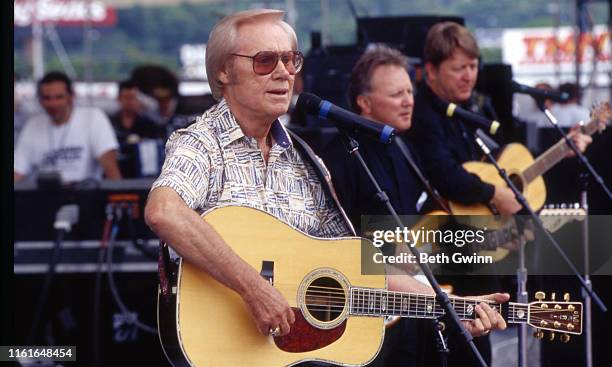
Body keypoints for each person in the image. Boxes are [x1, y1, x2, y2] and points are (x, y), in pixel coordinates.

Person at [144, 10, 507, 364]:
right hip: (218, 346)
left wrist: (448, 305)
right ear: (224, 71)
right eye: (265, 60)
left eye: (291, 60)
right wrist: (253, 288)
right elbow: (164, 212)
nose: (284, 72)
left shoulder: (305, 160)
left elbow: (357, 265)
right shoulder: (201, 143)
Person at [409, 21, 592, 366]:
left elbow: (506, 159)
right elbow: (443, 172)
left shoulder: (477, 109)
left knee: (483, 329)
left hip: (480, 239)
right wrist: (494, 194)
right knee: (461, 336)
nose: (468, 76)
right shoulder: (424, 115)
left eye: (473, 67)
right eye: (458, 68)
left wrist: (560, 149)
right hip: (444, 245)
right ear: (431, 70)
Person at [323, 44, 509, 367]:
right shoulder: (340, 156)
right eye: (397, 94)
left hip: (408, 305)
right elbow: (332, 241)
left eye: (410, 91)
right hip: (362, 311)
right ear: (364, 103)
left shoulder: (403, 148)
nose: (409, 101)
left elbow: (419, 222)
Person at [14, 71, 121, 184]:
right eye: (47, 98)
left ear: (71, 96)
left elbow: (108, 161)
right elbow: (18, 171)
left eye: (59, 97)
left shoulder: (93, 117)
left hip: (85, 194)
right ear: (40, 100)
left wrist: (118, 192)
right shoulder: (32, 125)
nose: (53, 103)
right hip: (44, 196)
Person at [110, 79, 165, 145]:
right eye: (126, 97)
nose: (129, 102)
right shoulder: (111, 123)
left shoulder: (149, 124)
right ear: (119, 98)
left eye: (132, 97)